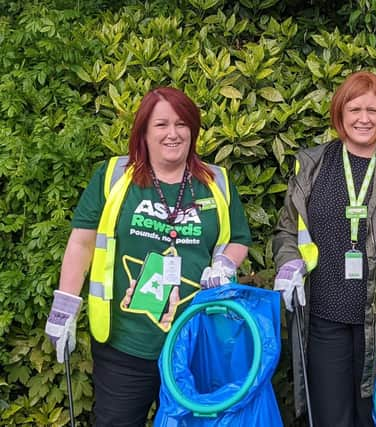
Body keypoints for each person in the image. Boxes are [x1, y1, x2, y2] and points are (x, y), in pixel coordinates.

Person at [45, 87, 252, 426]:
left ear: (193, 131)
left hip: (194, 343)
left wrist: (225, 263)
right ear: (143, 130)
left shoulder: (216, 182)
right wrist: (65, 304)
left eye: (182, 124)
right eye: (161, 125)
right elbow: (81, 242)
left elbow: (238, 239)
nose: (173, 133)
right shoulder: (114, 177)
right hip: (125, 345)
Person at [272, 71, 376, 427]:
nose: (363, 119)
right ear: (340, 114)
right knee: (331, 418)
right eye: (354, 109)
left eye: (373, 110)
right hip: (324, 319)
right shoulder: (313, 165)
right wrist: (288, 264)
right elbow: (288, 230)